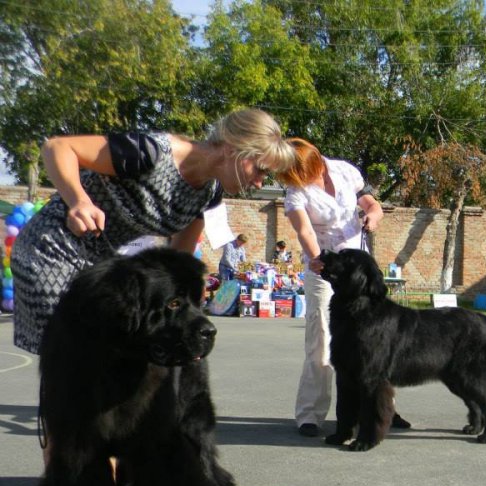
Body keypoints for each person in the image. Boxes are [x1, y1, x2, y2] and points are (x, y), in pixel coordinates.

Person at [11, 108, 294, 355]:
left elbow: (179, 260)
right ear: (233, 148)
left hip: (99, 266)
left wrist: (186, 305)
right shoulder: (151, 152)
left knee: (112, 359)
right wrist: (79, 201)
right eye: (260, 169)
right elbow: (58, 147)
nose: (259, 183)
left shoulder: (210, 192)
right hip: (50, 249)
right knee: (77, 357)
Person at [275, 138, 410, 437]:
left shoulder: (345, 171)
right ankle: (311, 413)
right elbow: (304, 230)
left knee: (375, 340)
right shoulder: (295, 192)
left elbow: (369, 202)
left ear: (316, 160)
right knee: (321, 340)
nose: (302, 178)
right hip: (325, 269)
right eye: (295, 174)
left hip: (359, 268)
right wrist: (317, 260)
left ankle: (383, 408)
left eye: (304, 171)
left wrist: (374, 213)